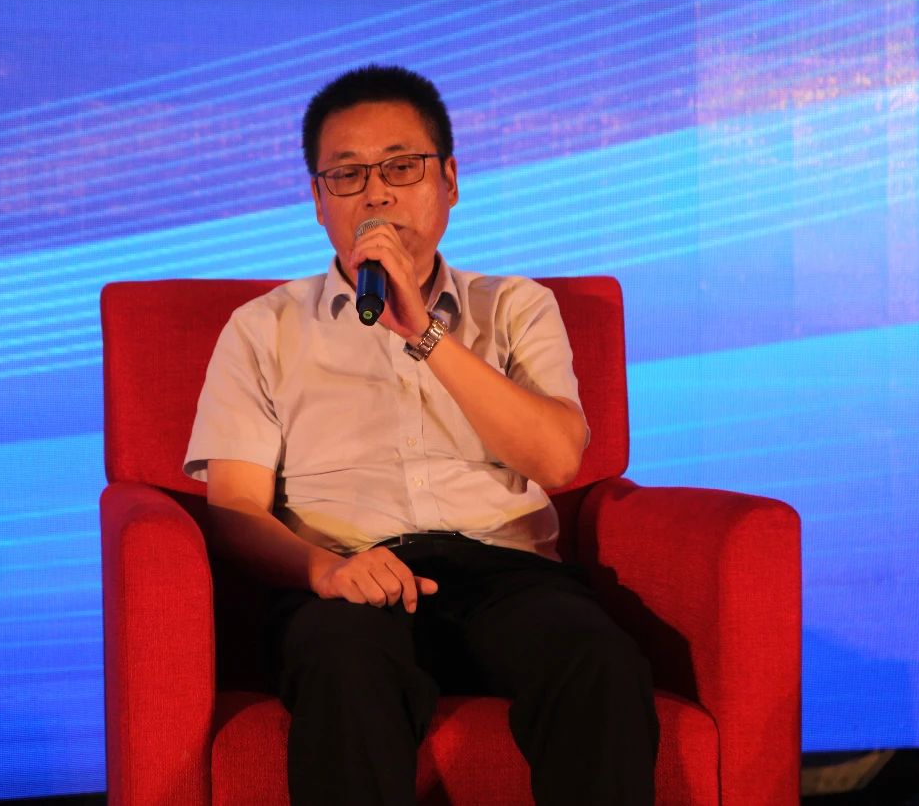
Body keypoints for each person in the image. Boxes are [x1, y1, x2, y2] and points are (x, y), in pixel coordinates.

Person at [184, 65, 658, 805]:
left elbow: (558, 458)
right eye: (347, 174)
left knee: (599, 660)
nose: (376, 193)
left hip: (506, 575)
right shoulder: (262, 328)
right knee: (342, 666)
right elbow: (235, 507)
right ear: (318, 200)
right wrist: (324, 571)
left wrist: (425, 334)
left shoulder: (515, 306)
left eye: (401, 166)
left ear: (450, 181)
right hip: (350, 580)